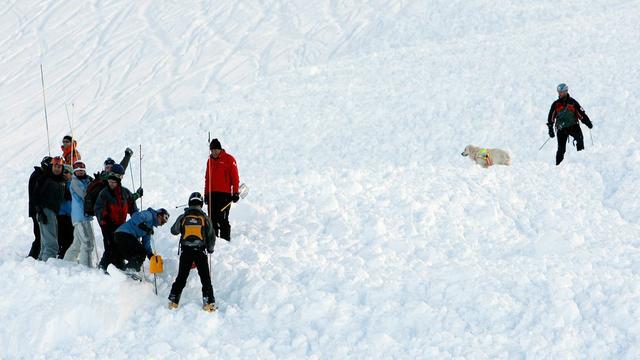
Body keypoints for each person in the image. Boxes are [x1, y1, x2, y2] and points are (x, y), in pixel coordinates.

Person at [168, 192, 216, 312]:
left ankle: (173, 300)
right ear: (201, 203)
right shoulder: (205, 218)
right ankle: (208, 303)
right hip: (200, 251)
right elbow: (211, 236)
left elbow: (173, 231)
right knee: (205, 278)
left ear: (190, 202)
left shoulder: (184, 217)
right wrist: (210, 249)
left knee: (181, 277)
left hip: (186, 252)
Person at [94, 164, 141, 272]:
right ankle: (103, 267)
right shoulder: (104, 193)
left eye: (121, 176)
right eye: (119, 175)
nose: (120, 178)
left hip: (121, 225)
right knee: (110, 247)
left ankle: (119, 267)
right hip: (108, 225)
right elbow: (98, 208)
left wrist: (137, 219)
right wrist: (104, 219)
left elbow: (132, 206)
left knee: (119, 247)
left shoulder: (124, 192)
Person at [113, 208, 169, 277]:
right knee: (141, 252)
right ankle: (131, 270)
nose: (162, 224)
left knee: (133, 255)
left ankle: (125, 272)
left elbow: (146, 244)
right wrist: (145, 228)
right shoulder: (149, 215)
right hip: (124, 234)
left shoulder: (150, 228)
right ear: (159, 216)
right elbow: (135, 217)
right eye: (162, 222)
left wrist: (151, 255)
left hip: (123, 237)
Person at [546, 83, 593, 165]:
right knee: (561, 149)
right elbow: (551, 117)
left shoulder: (573, 102)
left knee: (580, 139)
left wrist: (587, 122)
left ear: (566, 91)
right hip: (561, 129)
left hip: (573, 126)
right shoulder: (555, 104)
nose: (560, 94)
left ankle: (581, 161)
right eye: (559, 92)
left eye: (562, 92)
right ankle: (558, 165)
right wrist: (550, 129)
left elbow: (581, 114)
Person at [204, 138, 240, 241]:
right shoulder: (209, 161)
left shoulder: (229, 159)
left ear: (220, 149)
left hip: (224, 195)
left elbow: (235, 177)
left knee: (222, 218)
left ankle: (225, 240)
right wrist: (206, 194)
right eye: (212, 150)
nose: (214, 152)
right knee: (212, 219)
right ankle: (213, 241)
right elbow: (207, 179)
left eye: (216, 150)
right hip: (212, 194)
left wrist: (235, 192)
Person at [63, 161, 96, 267]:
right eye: (78, 171)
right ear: (74, 172)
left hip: (81, 217)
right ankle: (86, 267)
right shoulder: (75, 182)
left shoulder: (86, 180)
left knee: (77, 244)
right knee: (87, 242)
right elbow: (84, 195)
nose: (80, 173)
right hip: (81, 217)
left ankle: (66, 263)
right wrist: (93, 185)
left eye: (82, 171)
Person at [34, 156, 66, 261]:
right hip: (46, 211)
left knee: (45, 243)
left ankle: (41, 263)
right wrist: (40, 211)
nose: (57, 169)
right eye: (55, 166)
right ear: (51, 166)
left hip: (51, 211)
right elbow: (36, 195)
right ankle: (47, 266)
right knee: (51, 244)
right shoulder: (46, 179)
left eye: (60, 167)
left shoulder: (60, 180)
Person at [27, 156, 52, 259]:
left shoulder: (40, 174)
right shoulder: (37, 175)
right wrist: (38, 209)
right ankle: (33, 256)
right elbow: (34, 194)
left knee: (41, 234)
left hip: (37, 209)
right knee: (39, 235)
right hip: (36, 209)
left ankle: (36, 255)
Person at [57, 165, 74, 258]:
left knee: (71, 235)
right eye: (63, 172)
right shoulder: (60, 183)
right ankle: (61, 252)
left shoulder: (74, 184)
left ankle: (68, 254)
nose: (64, 174)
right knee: (62, 234)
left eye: (67, 172)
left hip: (71, 214)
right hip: (61, 213)